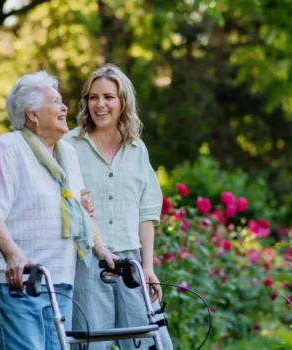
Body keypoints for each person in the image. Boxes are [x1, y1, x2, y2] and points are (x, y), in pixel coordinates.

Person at [0, 70, 116, 350]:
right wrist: (14, 255)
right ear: (32, 114)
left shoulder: (68, 154)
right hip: (19, 281)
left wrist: (101, 248)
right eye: (54, 102)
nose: (65, 107)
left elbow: (78, 209)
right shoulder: (9, 148)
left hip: (59, 280)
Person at [64, 64, 174, 350]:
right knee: (90, 345)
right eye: (93, 97)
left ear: (123, 101)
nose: (100, 104)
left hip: (131, 263)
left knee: (153, 344)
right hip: (86, 262)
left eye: (109, 97)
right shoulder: (68, 146)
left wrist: (148, 268)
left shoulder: (137, 149)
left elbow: (147, 212)